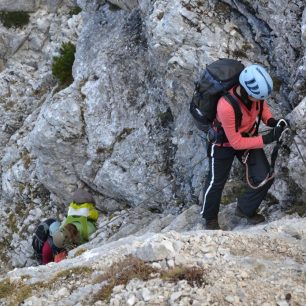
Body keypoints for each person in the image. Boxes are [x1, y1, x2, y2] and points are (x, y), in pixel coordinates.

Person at [201, 64, 288, 230]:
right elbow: (236, 142)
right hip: (222, 144)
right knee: (216, 181)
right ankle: (210, 219)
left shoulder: (256, 97)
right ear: (247, 92)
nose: (260, 100)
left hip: (246, 138)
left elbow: (263, 110)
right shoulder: (226, 105)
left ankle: (244, 209)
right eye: (257, 97)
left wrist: (273, 122)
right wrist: (268, 137)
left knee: (265, 176)